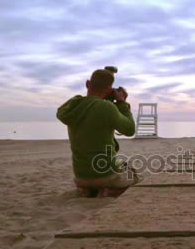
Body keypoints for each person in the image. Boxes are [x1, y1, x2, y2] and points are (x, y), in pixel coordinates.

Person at [56, 69, 138, 197]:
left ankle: (88, 190)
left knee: (90, 180)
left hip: (80, 178)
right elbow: (130, 130)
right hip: (106, 175)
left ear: (87, 84)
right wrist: (122, 103)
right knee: (132, 174)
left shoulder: (73, 107)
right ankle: (110, 191)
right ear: (110, 90)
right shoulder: (107, 108)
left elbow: (63, 109)